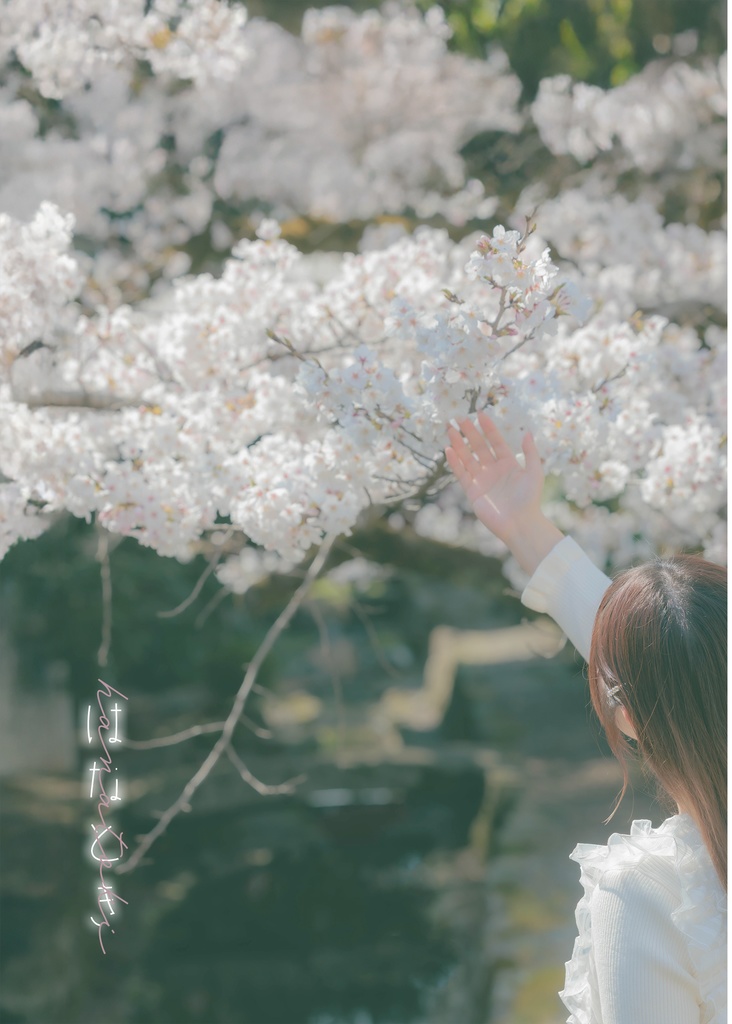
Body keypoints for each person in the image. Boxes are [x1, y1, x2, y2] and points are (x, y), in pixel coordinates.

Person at [444, 411, 727, 1024]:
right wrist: (524, 526)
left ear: (624, 716)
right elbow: (669, 662)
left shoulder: (653, 892)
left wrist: (524, 524)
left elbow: (656, 664)